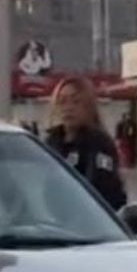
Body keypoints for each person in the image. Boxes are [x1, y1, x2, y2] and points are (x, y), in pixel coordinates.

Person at [45, 77, 128, 210]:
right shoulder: (51, 142)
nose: (68, 108)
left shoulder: (99, 143)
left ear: (88, 106)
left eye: (76, 102)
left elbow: (105, 191)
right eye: (62, 102)